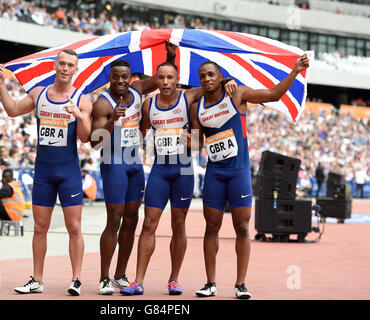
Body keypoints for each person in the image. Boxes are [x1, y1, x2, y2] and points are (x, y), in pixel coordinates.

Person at [189, 54, 310, 299]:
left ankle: (240, 284)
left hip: (238, 172)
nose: (206, 78)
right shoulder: (197, 106)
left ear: (221, 77)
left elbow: (274, 95)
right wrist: (185, 138)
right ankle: (210, 283)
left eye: (211, 74)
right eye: (202, 76)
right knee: (211, 227)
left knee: (242, 227)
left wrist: (295, 71)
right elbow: (194, 145)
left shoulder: (237, 94)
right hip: (215, 173)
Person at [119, 61, 236, 296]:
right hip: (160, 170)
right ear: (156, 80)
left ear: (177, 79)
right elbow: (140, 132)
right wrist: (119, 130)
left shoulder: (189, 97)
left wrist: (228, 79)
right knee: (149, 223)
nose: (165, 82)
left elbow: (212, 84)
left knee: (178, 224)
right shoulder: (148, 105)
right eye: (161, 78)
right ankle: (138, 280)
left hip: (182, 170)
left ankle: (174, 279)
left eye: (170, 78)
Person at [0, 48, 93, 296]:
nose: (65, 68)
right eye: (62, 63)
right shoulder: (39, 94)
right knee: (40, 227)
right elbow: (13, 110)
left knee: (74, 227)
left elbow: (85, 137)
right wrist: (1, 85)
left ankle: (76, 279)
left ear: (75, 69)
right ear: (55, 65)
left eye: (70, 65)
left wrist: (79, 116)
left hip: (69, 172)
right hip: (44, 172)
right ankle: (37, 279)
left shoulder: (82, 99)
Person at [90, 43, 176, 295]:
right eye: (115, 77)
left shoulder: (138, 90)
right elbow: (95, 143)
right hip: (113, 162)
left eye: (124, 77)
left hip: (135, 163)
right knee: (114, 219)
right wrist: (113, 121)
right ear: (109, 78)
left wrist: (170, 56)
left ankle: (120, 274)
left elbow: (162, 78)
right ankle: (104, 277)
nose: (120, 81)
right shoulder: (102, 104)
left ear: (131, 78)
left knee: (132, 220)